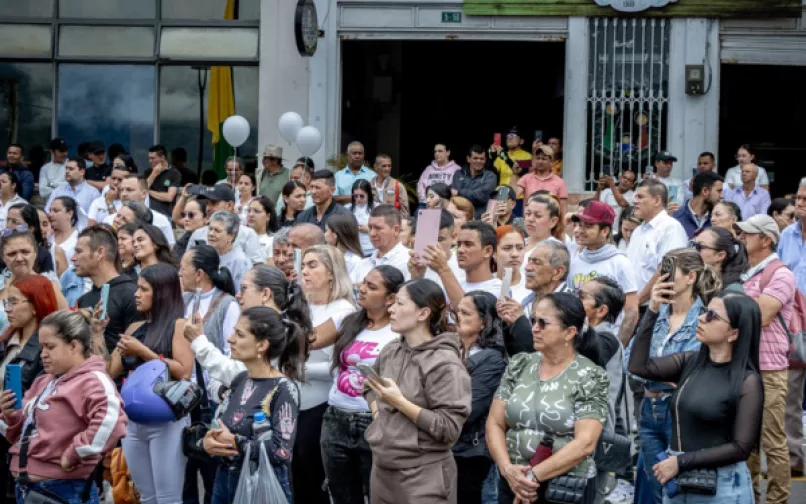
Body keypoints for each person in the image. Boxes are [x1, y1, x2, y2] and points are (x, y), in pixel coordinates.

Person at [629, 291, 763, 504]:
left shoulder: (748, 382)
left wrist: (681, 462)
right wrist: (652, 310)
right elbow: (637, 366)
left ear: (733, 333)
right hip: (679, 482)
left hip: (722, 486)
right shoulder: (689, 362)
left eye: (712, 316)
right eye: (704, 311)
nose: (701, 318)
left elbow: (741, 448)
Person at [486, 293, 609, 504]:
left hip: (564, 488)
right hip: (513, 481)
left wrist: (532, 477)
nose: (534, 328)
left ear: (569, 332)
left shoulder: (590, 375)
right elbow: (494, 423)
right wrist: (508, 470)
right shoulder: (519, 365)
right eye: (533, 320)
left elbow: (585, 443)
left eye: (543, 323)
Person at [91, 263, 193, 504]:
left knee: (168, 497)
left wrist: (144, 352)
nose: (137, 294)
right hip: (133, 419)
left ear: (161, 293)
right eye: (137, 288)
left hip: (167, 419)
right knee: (146, 496)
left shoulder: (179, 325)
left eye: (143, 289)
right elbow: (108, 370)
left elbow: (184, 371)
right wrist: (97, 333)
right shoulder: (135, 328)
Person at [0, 310, 127, 504]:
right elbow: (24, 430)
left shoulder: (93, 380)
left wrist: (75, 453)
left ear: (74, 345)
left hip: (64, 490)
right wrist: (11, 414)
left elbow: (111, 421)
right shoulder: (43, 381)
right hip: (28, 489)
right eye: (41, 347)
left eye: (50, 347)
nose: (43, 354)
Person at [364, 279, 472, 504]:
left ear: (423, 313)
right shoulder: (391, 349)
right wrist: (379, 417)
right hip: (382, 469)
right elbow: (370, 387)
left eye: (400, 304)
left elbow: (449, 428)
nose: (391, 309)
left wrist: (399, 402)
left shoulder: (444, 363)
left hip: (424, 475)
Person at [203, 307, 305, 504]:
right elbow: (221, 426)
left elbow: (282, 452)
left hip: (261, 486)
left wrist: (236, 442)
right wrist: (207, 442)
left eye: (239, 334)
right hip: (225, 480)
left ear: (262, 345)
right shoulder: (240, 379)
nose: (230, 339)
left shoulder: (283, 389)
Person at [322, 266, 404, 504]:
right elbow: (315, 344)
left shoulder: (398, 331)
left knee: (379, 493)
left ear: (391, 298)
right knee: (342, 494)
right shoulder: (350, 322)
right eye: (363, 283)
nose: (362, 289)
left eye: (372, 286)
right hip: (336, 416)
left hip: (374, 418)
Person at [453, 291, 507, 504]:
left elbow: (470, 408)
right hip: (448, 445)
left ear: (484, 322)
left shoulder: (492, 359)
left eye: (465, 313)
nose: (458, 317)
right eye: (456, 312)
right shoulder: (451, 348)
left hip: (471, 451)